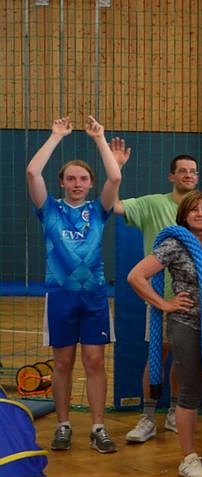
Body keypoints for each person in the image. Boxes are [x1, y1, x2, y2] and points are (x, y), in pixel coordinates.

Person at [111, 149, 202, 443]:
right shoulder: (158, 210)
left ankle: (185, 420)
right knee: (160, 355)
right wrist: (164, 303)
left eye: (193, 171)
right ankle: (148, 416)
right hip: (169, 302)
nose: (189, 175)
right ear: (172, 176)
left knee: (199, 367)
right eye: (183, 171)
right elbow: (114, 206)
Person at [127, 191, 202, 477]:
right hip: (186, 324)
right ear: (184, 215)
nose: (200, 213)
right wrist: (165, 304)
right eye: (194, 210)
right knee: (190, 391)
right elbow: (135, 276)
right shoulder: (174, 245)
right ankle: (187, 457)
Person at [25, 116, 121, 453]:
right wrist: (55, 137)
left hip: (94, 296)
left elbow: (115, 177)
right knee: (63, 363)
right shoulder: (49, 209)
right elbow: (32, 172)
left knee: (94, 361)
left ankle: (98, 427)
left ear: (91, 184)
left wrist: (100, 139)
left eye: (83, 178)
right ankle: (63, 425)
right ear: (62, 183)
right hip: (60, 295)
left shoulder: (99, 210)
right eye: (70, 178)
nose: (77, 183)